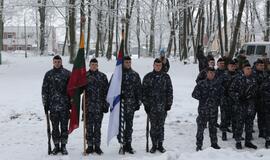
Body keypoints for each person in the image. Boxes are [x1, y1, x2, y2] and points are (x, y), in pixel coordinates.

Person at [142, 58, 173, 153]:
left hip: (163, 107)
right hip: (152, 107)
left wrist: (169, 104)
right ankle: (154, 145)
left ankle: (160, 144)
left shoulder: (166, 77)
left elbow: (170, 91)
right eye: (156, 65)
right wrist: (146, 105)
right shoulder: (148, 77)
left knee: (161, 126)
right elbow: (143, 92)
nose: (158, 67)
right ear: (153, 65)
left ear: (161, 66)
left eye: (160, 65)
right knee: (153, 127)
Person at [42, 55, 71, 155]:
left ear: (61, 62)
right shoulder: (48, 74)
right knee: (55, 127)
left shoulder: (67, 74)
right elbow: (44, 90)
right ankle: (56, 146)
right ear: (53, 62)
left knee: (64, 127)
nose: (57, 63)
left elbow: (72, 90)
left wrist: (72, 103)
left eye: (59, 62)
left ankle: (63, 146)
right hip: (53, 106)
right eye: (55, 62)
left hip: (64, 106)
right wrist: (45, 104)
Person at [192, 67, 222, 151]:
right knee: (200, 129)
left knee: (213, 128)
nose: (211, 74)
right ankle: (199, 145)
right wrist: (203, 97)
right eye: (210, 73)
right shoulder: (201, 84)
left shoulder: (217, 84)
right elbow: (194, 94)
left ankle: (214, 143)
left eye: (213, 73)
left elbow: (221, 96)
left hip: (213, 111)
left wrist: (217, 101)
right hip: (203, 111)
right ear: (206, 73)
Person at [229, 63, 257, 149]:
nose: (249, 70)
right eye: (247, 68)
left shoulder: (253, 79)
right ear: (243, 70)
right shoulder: (238, 79)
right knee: (239, 124)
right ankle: (238, 141)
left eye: (250, 68)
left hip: (250, 106)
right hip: (240, 106)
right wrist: (239, 97)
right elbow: (231, 91)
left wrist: (252, 96)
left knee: (249, 124)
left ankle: (248, 141)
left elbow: (256, 91)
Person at [117, 56, 142, 154]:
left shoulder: (135, 75)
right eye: (126, 62)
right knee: (120, 126)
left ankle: (128, 144)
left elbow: (139, 90)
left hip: (130, 105)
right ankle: (121, 143)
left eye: (129, 62)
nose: (128, 64)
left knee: (129, 126)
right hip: (120, 106)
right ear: (123, 63)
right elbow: (112, 88)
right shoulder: (118, 74)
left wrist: (138, 103)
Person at [84, 58, 109, 155]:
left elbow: (107, 92)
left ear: (97, 65)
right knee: (89, 127)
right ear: (89, 65)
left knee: (98, 128)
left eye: (95, 64)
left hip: (99, 106)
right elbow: (79, 90)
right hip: (88, 106)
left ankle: (97, 146)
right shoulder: (84, 76)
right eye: (92, 64)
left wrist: (106, 105)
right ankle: (90, 146)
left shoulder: (102, 76)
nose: (94, 66)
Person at [220, 60, 238, 141]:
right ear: (228, 67)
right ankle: (224, 133)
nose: (233, 67)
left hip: (235, 100)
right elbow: (219, 86)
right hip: (225, 99)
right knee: (224, 117)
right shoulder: (224, 75)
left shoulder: (239, 75)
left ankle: (235, 134)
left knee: (235, 117)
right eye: (231, 66)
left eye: (234, 66)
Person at [252, 59, 267, 138]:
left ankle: (262, 132)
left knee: (262, 116)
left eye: (263, 66)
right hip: (253, 99)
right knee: (251, 116)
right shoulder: (252, 74)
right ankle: (249, 133)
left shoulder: (265, 74)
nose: (262, 67)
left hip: (262, 99)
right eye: (260, 66)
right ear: (256, 65)